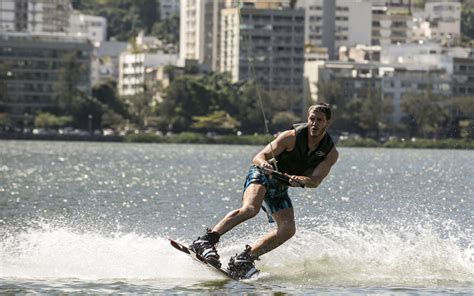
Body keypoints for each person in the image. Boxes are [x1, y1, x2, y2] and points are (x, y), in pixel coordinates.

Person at [190, 103, 339, 279]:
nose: (314, 124)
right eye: (312, 119)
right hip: (261, 174)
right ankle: (206, 240)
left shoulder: (330, 153)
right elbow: (258, 157)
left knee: (288, 229)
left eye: (319, 120)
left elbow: (315, 181)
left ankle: (245, 259)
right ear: (307, 118)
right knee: (250, 209)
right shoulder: (290, 137)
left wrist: (301, 180)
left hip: (280, 186)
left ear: (327, 123)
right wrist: (264, 164)